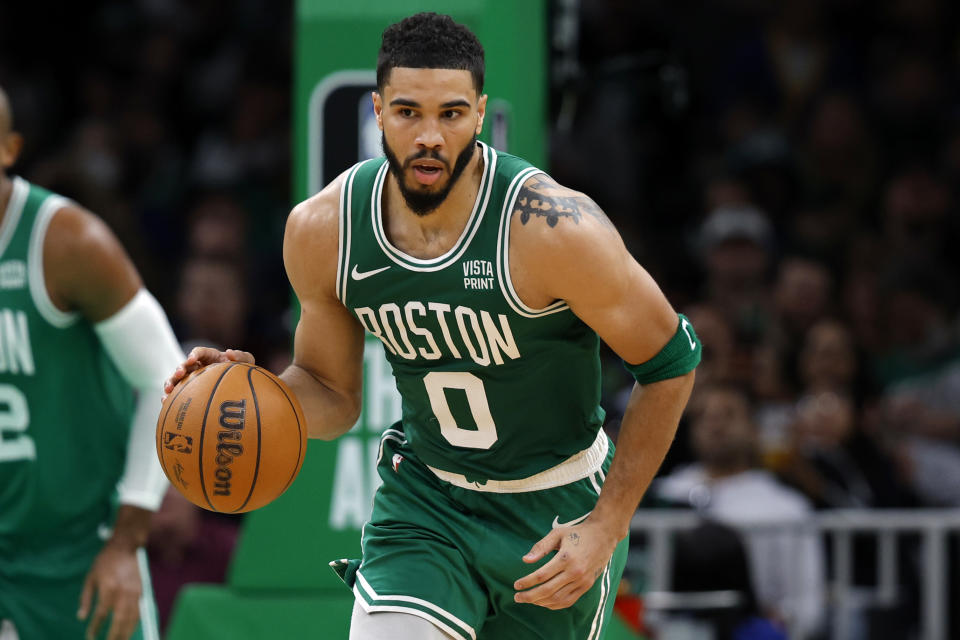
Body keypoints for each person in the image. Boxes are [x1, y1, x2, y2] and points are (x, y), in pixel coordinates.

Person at [165, 13, 699, 640]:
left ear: (479, 114)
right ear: (377, 112)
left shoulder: (552, 230)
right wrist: (260, 395)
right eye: (408, 112)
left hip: (554, 507)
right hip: (428, 501)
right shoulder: (325, 230)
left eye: (450, 114)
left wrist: (607, 523)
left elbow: (670, 363)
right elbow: (332, 395)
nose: (429, 136)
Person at [0, 86, 184, 639]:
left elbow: (168, 379)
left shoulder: (66, 243)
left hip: (79, 552)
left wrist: (126, 541)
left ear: (9, 149)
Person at [653, 384, 825, 639]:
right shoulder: (663, 495)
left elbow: (806, 599)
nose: (715, 425)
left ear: (753, 429)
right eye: (703, 416)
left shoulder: (786, 507)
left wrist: (787, 624)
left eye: (728, 415)